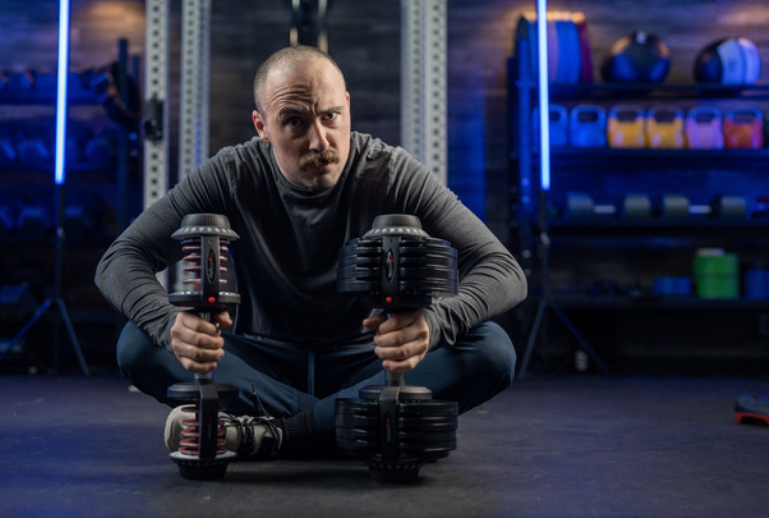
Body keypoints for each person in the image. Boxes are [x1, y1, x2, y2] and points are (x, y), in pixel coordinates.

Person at [95, 45, 527, 460]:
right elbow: (121, 258)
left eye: (330, 116)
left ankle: (275, 434)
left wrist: (434, 323)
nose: (320, 140)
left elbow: (503, 269)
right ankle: (348, 423)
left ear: (347, 107)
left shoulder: (391, 172)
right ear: (262, 127)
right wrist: (170, 323)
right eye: (295, 122)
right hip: (261, 364)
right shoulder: (230, 175)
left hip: (371, 360)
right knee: (139, 343)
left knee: (491, 350)